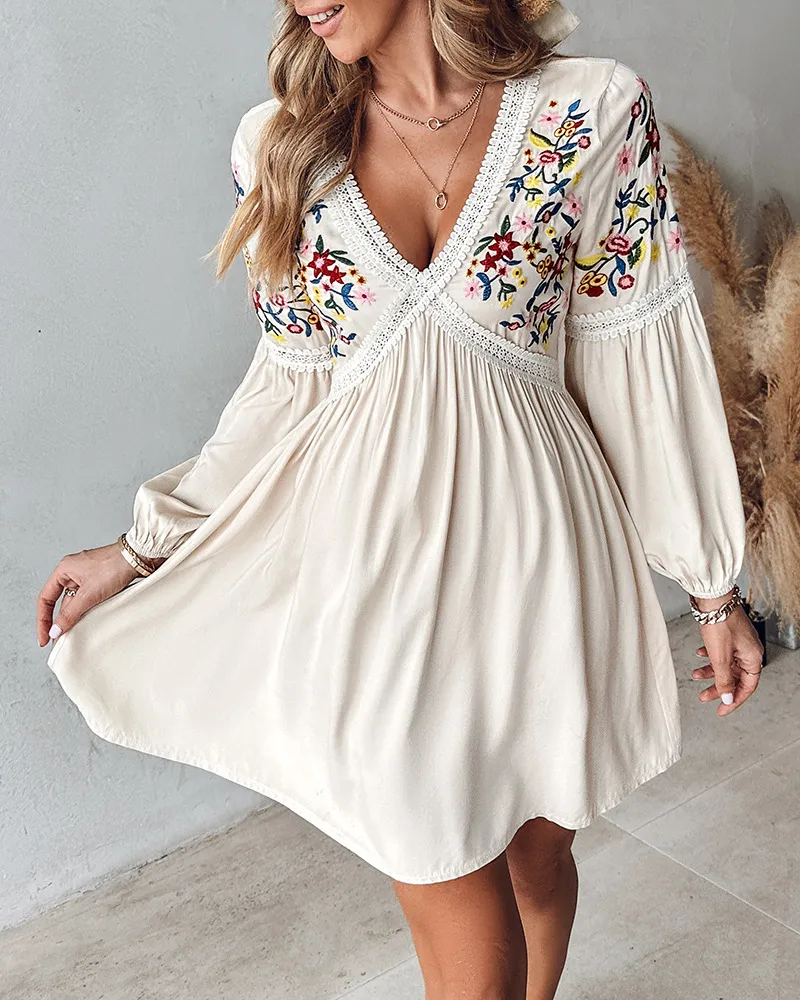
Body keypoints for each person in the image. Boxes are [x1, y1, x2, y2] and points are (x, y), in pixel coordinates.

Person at [37, 1, 764, 996]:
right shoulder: (278, 145)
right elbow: (287, 384)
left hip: (541, 553)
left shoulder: (590, 111)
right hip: (374, 571)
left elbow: (635, 354)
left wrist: (711, 584)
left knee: (538, 851)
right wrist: (144, 545)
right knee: (443, 869)